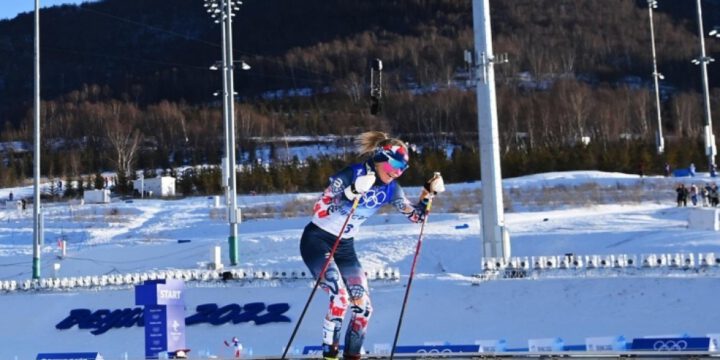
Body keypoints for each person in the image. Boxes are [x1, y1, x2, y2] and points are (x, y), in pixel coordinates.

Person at [299, 131, 445, 360]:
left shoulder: (392, 189)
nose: (398, 172)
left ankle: (353, 355)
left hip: (344, 246)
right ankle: (329, 355)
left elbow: (417, 218)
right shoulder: (351, 174)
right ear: (381, 158)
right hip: (317, 239)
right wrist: (352, 191)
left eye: (403, 168)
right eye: (396, 164)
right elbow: (319, 209)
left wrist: (428, 193)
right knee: (340, 298)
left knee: (363, 307)